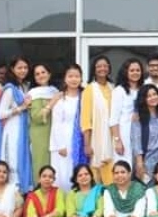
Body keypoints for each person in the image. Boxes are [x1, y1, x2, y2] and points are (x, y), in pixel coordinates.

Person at [0, 57, 33, 190]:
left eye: (25, 68)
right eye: (19, 68)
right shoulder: (10, 89)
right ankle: (12, 190)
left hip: (23, 129)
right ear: (12, 69)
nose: (23, 70)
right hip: (12, 131)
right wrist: (21, 108)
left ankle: (21, 191)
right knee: (13, 160)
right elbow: (0, 114)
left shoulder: (24, 87)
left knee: (22, 159)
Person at [49, 64, 87, 190]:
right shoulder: (60, 98)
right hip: (63, 141)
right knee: (64, 174)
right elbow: (56, 123)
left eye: (77, 76)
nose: (74, 79)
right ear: (65, 79)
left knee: (80, 172)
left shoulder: (85, 97)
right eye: (70, 76)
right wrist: (60, 145)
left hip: (82, 140)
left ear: (81, 78)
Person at [82, 56, 115, 184]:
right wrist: (87, 144)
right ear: (94, 69)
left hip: (113, 139)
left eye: (105, 66)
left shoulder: (113, 88)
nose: (102, 68)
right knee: (96, 177)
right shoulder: (89, 89)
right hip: (96, 139)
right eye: (99, 66)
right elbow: (86, 119)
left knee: (113, 173)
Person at [112, 59, 146, 181]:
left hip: (142, 133)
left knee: (141, 169)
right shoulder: (119, 91)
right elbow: (113, 119)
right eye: (132, 70)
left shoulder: (143, 89)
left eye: (138, 70)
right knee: (125, 169)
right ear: (126, 72)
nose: (135, 73)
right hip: (124, 134)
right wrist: (117, 140)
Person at [132, 84, 158, 183]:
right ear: (143, 99)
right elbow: (136, 140)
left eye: (154, 94)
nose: (153, 98)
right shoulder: (138, 117)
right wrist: (139, 163)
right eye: (148, 96)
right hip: (147, 161)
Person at [28, 64, 58, 176]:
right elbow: (36, 117)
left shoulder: (55, 91)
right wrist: (51, 103)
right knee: (42, 165)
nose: (41, 75)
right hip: (40, 134)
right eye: (37, 74)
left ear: (49, 74)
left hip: (55, 133)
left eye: (43, 72)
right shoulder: (33, 94)